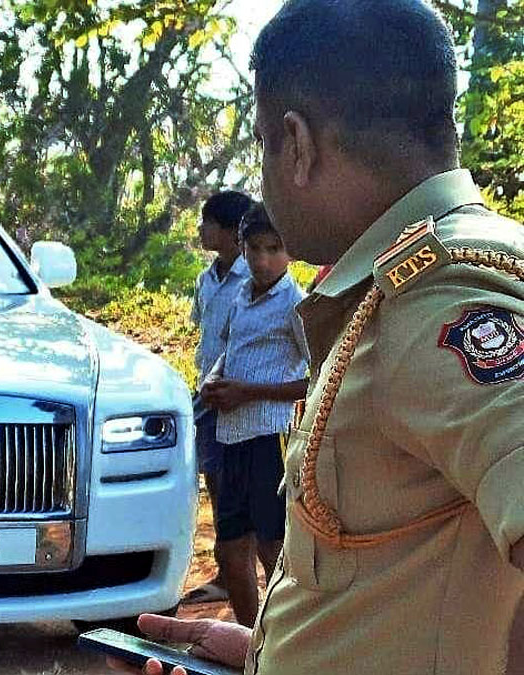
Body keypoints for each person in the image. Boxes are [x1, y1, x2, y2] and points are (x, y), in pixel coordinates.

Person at [110, 1, 524, 673]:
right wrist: (271, 653)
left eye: (262, 144)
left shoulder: (441, 298)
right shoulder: (431, 274)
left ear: (297, 144)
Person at [200, 203, 307, 628]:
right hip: (231, 437)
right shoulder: (240, 297)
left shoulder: (296, 304)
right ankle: (247, 641)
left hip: (271, 438)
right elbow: (228, 351)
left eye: (273, 249)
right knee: (231, 548)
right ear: (241, 248)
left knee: (272, 545)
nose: (262, 259)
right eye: (254, 248)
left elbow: (317, 377)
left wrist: (249, 392)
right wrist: (213, 380)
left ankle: (283, 638)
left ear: (290, 251)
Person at [183, 190, 253, 607]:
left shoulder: (255, 279)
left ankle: (239, 571)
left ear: (230, 231)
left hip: (240, 398)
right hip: (206, 393)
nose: (201, 229)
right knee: (214, 478)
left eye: (207, 222)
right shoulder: (206, 280)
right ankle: (227, 574)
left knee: (237, 486)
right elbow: (204, 331)